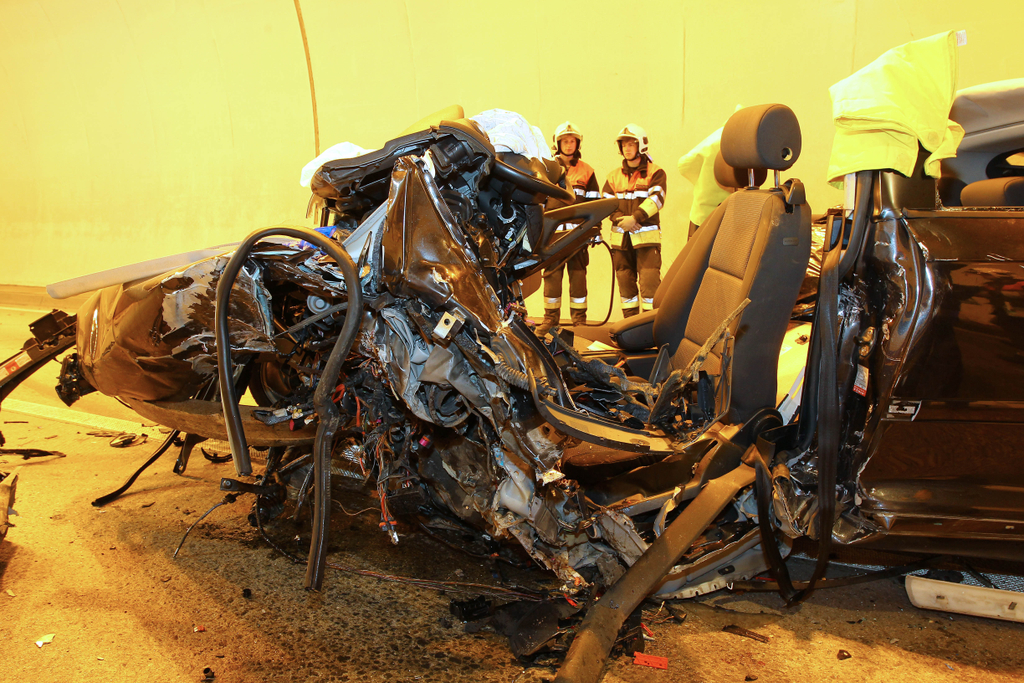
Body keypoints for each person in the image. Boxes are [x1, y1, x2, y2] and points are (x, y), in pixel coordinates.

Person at [535, 121, 600, 337]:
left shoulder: (587, 171)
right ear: (558, 143)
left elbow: (594, 202)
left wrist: (595, 230)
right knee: (551, 277)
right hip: (553, 235)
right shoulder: (546, 170)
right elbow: (538, 203)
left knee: (578, 278)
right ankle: (550, 320)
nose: (569, 145)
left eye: (572, 141)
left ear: (577, 144)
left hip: (578, 235)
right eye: (565, 141)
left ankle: (579, 322)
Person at [603, 124, 667, 317]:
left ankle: (649, 327)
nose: (627, 148)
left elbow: (657, 199)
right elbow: (606, 203)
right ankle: (629, 325)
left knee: (649, 284)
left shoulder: (656, 173)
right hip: (621, 242)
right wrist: (620, 220)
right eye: (624, 145)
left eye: (631, 144)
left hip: (646, 242)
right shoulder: (613, 176)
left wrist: (634, 218)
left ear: (641, 146)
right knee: (625, 286)